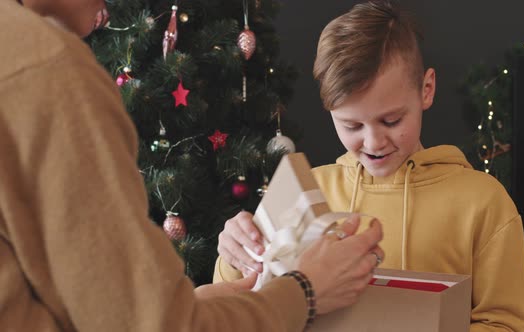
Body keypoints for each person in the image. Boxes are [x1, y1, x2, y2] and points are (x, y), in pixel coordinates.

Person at [0, 0, 386, 331]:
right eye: (353, 124)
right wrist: (303, 292)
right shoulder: (46, 70)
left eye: (391, 119)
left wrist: (199, 308)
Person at [214, 1, 524, 331]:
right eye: (351, 126)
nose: (374, 142)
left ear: (426, 89)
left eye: (391, 120)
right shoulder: (308, 193)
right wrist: (235, 254)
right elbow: (238, 301)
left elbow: (505, 323)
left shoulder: (482, 202)